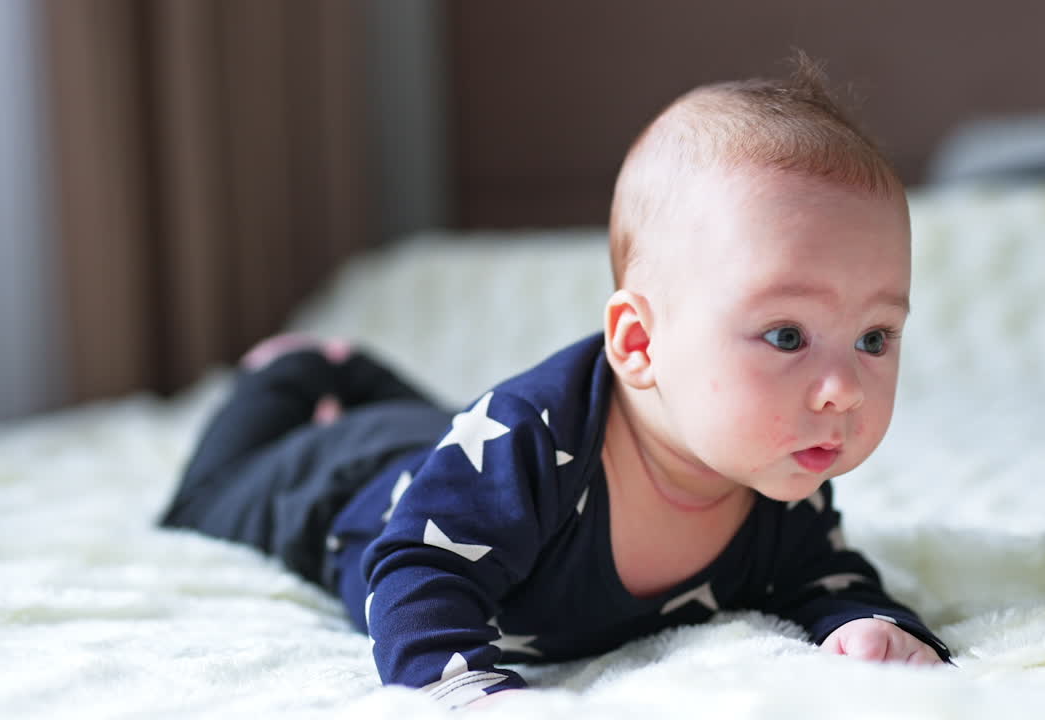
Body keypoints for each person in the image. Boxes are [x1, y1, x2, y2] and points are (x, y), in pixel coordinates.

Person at [160, 54, 951, 709]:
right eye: (787, 336)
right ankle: (305, 369)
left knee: (434, 431)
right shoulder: (532, 440)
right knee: (211, 499)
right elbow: (418, 570)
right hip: (342, 486)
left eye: (875, 337)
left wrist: (868, 622)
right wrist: (466, 688)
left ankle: (371, 387)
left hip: (443, 447)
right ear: (639, 344)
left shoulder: (782, 470)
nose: (842, 388)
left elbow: (822, 574)